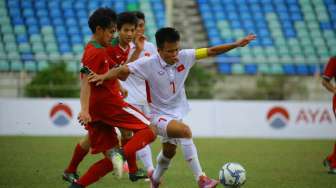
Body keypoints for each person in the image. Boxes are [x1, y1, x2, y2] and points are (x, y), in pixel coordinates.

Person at [88, 27, 256, 188]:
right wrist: (103, 76)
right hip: (157, 115)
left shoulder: (185, 56)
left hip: (177, 114)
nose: (175, 54)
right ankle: (201, 179)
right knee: (185, 132)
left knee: (169, 152)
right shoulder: (148, 63)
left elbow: (211, 51)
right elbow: (121, 70)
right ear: (159, 50)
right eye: (169, 51)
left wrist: (236, 44)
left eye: (176, 49)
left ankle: (154, 180)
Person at [68, 8, 157, 188]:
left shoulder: (97, 48)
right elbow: (86, 81)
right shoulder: (99, 52)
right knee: (151, 130)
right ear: (100, 30)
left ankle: (77, 185)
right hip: (108, 104)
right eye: (112, 31)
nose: (113, 34)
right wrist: (83, 109)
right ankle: (128, 162)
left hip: (98, 110)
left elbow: (111, 74)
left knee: (112, 161)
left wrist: (118, 85)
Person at [119, 11, 157, 175]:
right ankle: (150, 170)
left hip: (147, 99)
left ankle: (123, 159)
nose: (139, 30)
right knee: (142, 133)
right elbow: (121, 71)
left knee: (147, 134)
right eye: (136, 27)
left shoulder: (150, 47)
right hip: (129, 98)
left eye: (142, 26)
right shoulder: (124, 47)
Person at [322, 56, 336, 174]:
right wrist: (334, 90)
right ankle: (333, 164)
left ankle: (331, 159)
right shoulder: (334, 60)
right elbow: (325, 81)